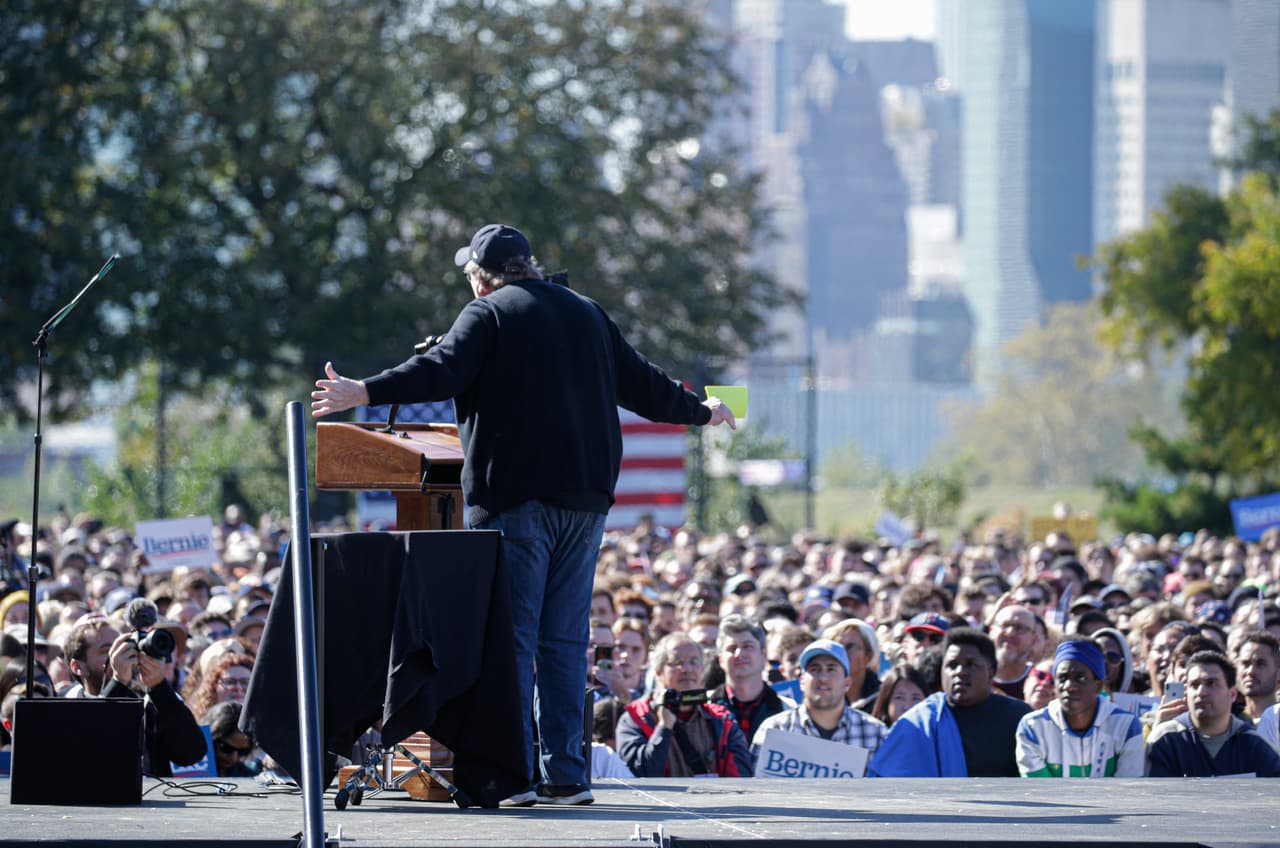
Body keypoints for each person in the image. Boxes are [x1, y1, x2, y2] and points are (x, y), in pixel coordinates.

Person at [311, 224, 736, 805]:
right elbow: (643, 383)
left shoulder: (486, 315)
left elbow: (440, 370)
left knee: (510, 640)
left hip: (515, 502)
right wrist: (703, 411)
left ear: (479, 276)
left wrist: (363, 391)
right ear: (529, 265)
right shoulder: (588, 313)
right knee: (563, 642)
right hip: (585, 503)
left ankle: (513, 776)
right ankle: (567, 775)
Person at [867, 628, 1031, 777]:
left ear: (991, 672)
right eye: (952, 665)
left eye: (971, 664)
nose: (960, 672)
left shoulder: (1019, 718)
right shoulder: (917, 722)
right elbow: (888, 784)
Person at [615, 632, 751, 778]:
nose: (687, 669)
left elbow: (742, 777)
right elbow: (639, 775)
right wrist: (664, 727)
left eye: (694, 662)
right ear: (658, 671)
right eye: (677, 662)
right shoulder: (635, 718)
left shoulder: (721, 719)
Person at [1014, 640, 1144, 777]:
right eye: (1062, 678)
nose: (1069, 686)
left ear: (1098, 686)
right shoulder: (1033, 727)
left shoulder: (1126, 726)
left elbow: (1126, 791)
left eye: (1080, 678)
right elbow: (1040, 792)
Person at [751, 640, 887, 764]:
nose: (823, 677)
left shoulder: (876, 733)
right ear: (802, 682)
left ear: (847, 683)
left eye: (831, 669)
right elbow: (757, 787)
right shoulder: (775, 729)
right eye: (814, 669)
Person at [1147, 651, 1280, 777]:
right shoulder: (1165, 739)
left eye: (1211, 684)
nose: (1201, 692)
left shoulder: (1255, 745)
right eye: (1194, 685)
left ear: (1233, 694)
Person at [710, 615, 789, 746]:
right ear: (720, 660)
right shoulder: (704, 709)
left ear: (764, 656)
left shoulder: (787, 710)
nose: (739, 654)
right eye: (731, 648)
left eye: (748, 646)